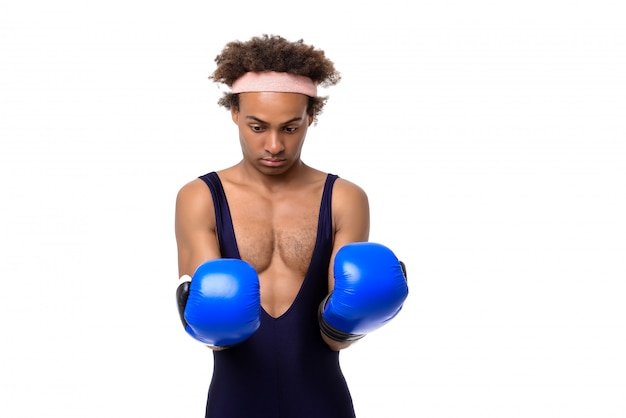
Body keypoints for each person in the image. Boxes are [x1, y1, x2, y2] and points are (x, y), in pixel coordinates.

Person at [174, 34, 409, 418]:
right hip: (235, 402)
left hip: (322, 400)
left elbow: (334, 338)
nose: (273, 146)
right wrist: (214, 320)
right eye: (256, 126)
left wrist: (359, 313)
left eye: (289, 128)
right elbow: (214, 325)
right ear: (234, 112)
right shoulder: (200, 197)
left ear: (311, 117)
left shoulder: (343, 198)